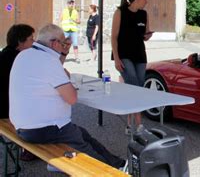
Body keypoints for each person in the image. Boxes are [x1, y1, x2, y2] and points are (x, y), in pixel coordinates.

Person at [9, 24, 126, 172]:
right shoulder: (48, 61)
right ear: (54, 43)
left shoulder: (24, 54)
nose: (65, 45)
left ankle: (119, 164)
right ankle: (111, 172)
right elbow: (71, 98)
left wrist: (64, 54)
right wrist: (67, 81)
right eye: (63, 43)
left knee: (82, 133)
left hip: (22, 125)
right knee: (84, 147)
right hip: (43, 128)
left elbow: (55, 72)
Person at [111, 0, 153, 135]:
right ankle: (140, 125)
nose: (146, 1)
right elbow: (114, 36)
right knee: (135, 87)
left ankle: (129, 124)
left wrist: (148, 36)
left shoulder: (144, 14)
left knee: (135, 88)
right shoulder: (120, 12)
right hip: (123, 55)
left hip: (140, 55)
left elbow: (144, 35)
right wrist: (116, 57)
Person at [0, 24, 37, 161]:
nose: (33, 42)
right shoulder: (19, 59)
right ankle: (32, 147)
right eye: (31, 39)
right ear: (20, 42)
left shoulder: (5, 54)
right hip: (6, 111)